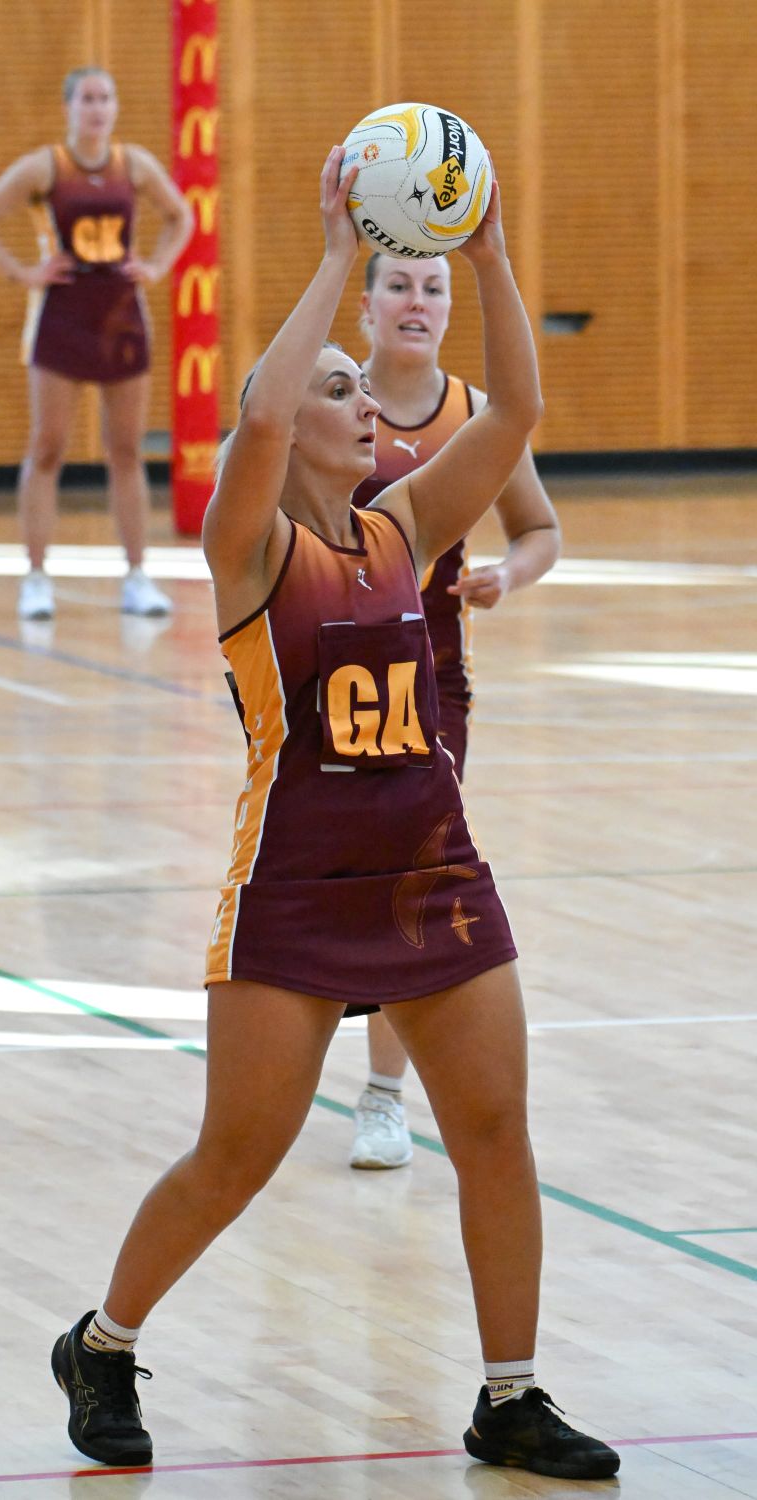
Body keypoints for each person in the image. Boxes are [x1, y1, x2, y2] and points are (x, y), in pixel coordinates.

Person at [49, 148, 620, 1483]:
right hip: (294, 887)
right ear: (291, 419)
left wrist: (483, 253)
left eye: (361, 386)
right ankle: (106, 1342)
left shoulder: (402, 530)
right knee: (235, 1157)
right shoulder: (251, 552)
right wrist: (333, 257)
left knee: (493, 1132)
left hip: (431, 869)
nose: (368, 402)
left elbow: (519, 406)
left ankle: (510, 1396)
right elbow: (251, 422)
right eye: (340, 387)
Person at [348, 251, 561, 1171]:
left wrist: (505, 574)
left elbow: (540, 529)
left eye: (434, 287)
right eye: (399, 284)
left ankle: (383, 1095)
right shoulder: (330, 404)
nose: (418, 301)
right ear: (365, 305)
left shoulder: (473, 416)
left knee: (411, 886)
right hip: (323, 687)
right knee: (325, 879)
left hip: (433, 689)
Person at [0, 66, 193, 620]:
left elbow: (180, 216)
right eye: (87, 98)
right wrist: (23, 271)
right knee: (48, 447)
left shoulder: (133, 165)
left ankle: (137, 576)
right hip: (61, 316)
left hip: (120, 316)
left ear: (115, 107)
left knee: (126, 451)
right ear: (68, 107)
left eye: (106, 98)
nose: (97, 108)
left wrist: (157, 264)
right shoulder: (45, 167)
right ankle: (36, 578)